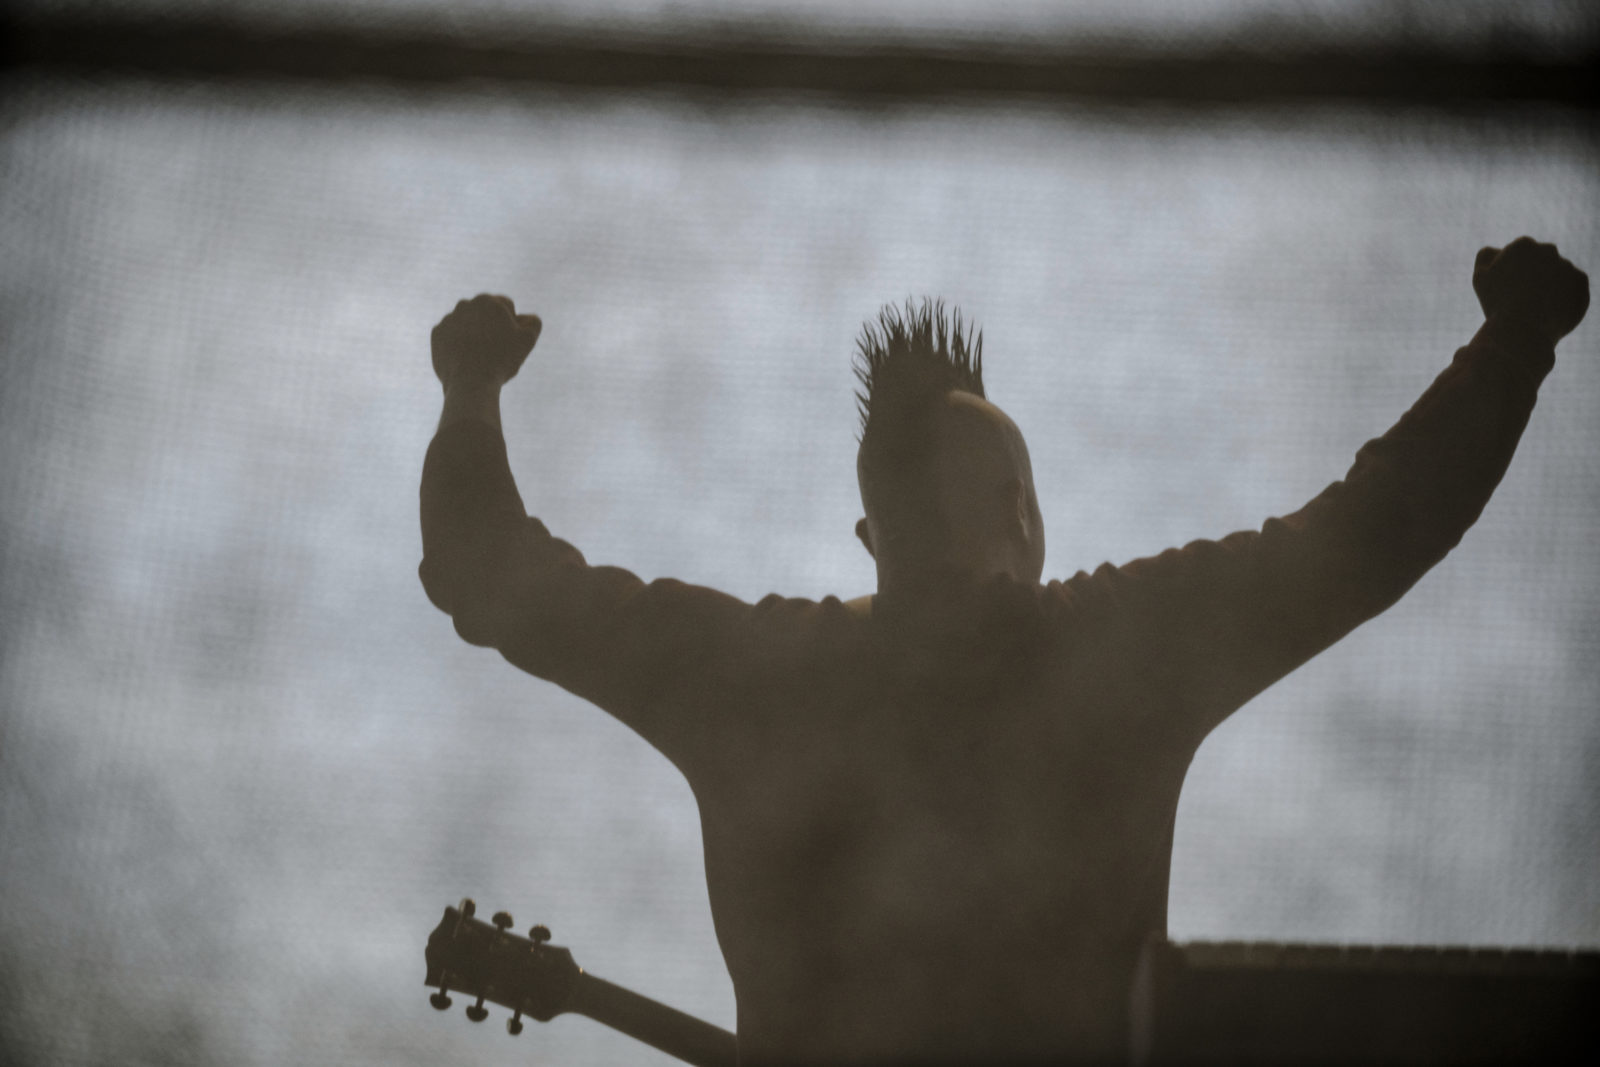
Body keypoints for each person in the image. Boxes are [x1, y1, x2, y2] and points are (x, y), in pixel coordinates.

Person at [419, 238, 1588, 1064]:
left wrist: (471, 385)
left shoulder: (749, 676)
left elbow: (490, 571)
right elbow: (1370, 533)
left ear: (870, 532)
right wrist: (1511, 343)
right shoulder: (1123, 652)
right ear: (1025, 516)